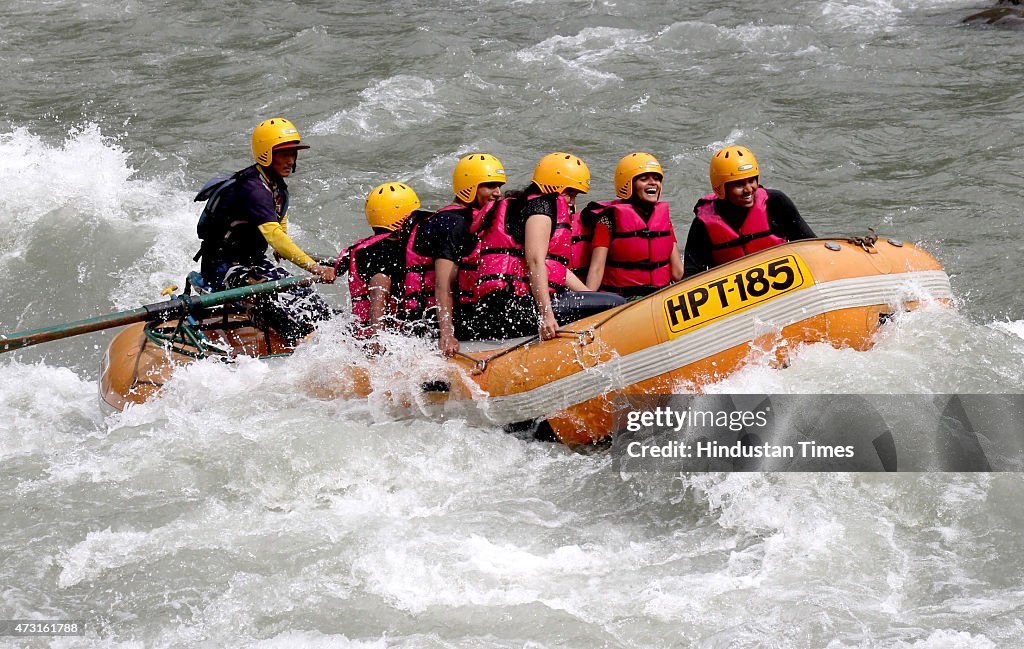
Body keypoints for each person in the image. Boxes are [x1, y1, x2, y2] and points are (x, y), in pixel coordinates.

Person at [193, 117, 335, 346]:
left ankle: (328, 330)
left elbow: (280, 222)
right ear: (266, 154)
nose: (290, 160)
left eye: (293, 154)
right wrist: (314, 266)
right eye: (284, 154)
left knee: (303, 292)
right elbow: (274, 235)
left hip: (254, 261)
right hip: (222, 266)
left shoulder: (276, 185)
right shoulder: (253, 188)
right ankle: (300, 340)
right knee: (263, 296)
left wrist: (283, 252)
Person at [473, 152, 626, 341]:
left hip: (513, 303)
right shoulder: (541, 208)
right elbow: (535, 262)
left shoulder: (529, 205)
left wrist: (590, 297)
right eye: (570, 193)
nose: (572, 202)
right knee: (615, 303)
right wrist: (547, 315)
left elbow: (556, 268)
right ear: (555, 185)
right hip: (514, 306)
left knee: (605, 301)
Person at [402, 153, 506, 356]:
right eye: (490, 186)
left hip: (458, 311)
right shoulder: (453, 223)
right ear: (469, 186)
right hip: (429, 319)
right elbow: (443, 284)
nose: (497, 193)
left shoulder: (468, 219)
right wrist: (447, 334)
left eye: (499, 186)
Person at [683, 145, 815, 276]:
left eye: (751, 180)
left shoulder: (775, 203)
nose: (748, 189)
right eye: (739, 184)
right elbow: (692, 273)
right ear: (721, 188)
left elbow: (809, 243)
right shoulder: (703, 223)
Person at [580, 152, 684, 299]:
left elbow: (678, 272)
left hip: (660, 296)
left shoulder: (663, 219)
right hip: (623, 300)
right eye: (644, 179)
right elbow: (596, 269)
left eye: (657, 178)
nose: (653, 183)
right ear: (628, 184)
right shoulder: (607, 220)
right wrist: (589, 301)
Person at [337, 181, 423, 340]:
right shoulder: (385, 250)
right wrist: (377, 339)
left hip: (364, 330)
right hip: (381, 335)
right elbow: (379, 288)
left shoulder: (363, 247)